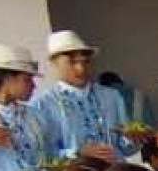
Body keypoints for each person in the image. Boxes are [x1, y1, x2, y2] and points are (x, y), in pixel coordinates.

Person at [35, 30, 133, 160]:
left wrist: (132, 138)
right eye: (72, 62)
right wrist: (77, 152)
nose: (80, 68)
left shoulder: (111, 96)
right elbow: (41, 153)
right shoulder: (43, 104)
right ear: (54, 63)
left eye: (85, 62)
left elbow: (126, 148)